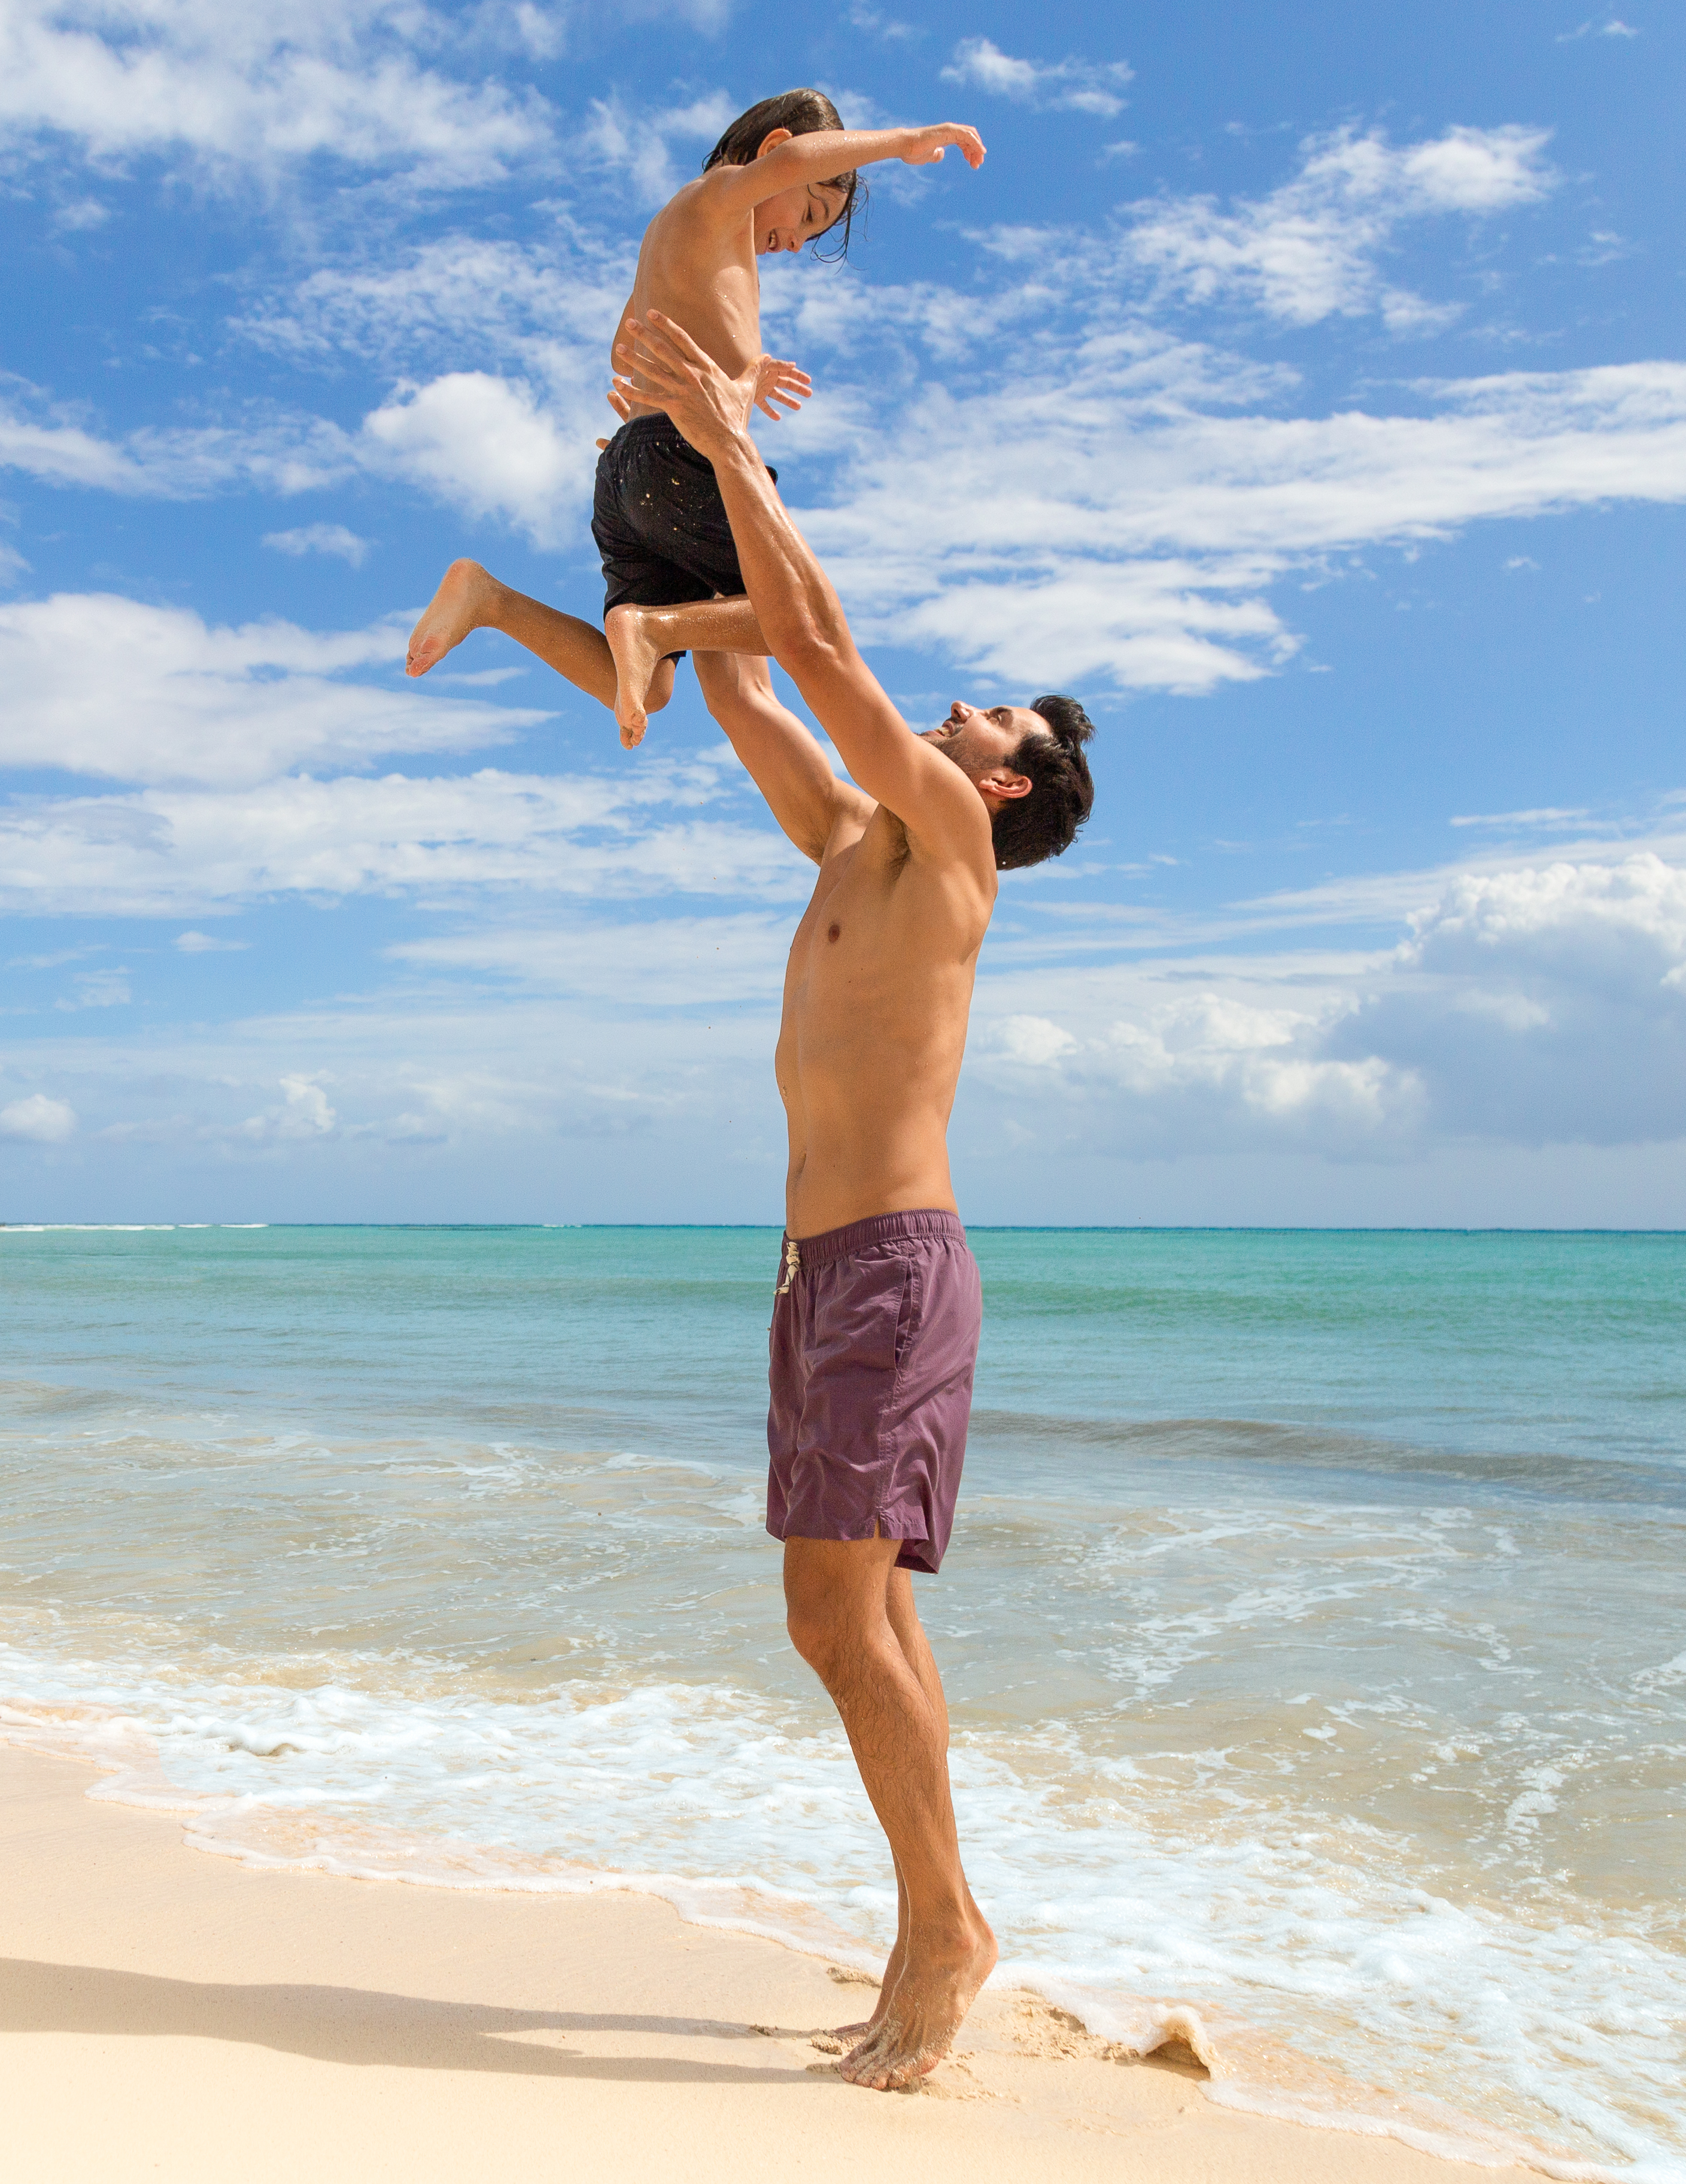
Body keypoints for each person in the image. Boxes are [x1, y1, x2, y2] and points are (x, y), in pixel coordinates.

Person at [609, 304, 1095, 2094]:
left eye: (995, 715)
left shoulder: (954, 846)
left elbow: (817, 642)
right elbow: (748, 677)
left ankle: (947, 1925)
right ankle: (932, 1922)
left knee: (830, 1618)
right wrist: (675, 498)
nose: (964, 705)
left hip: (891, 1268)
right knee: (873, 1618)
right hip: (827, 1274)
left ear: (1009, 783)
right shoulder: (848, 845)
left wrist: (741, 437)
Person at [403, 90, 984, 745]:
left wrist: (720, 385)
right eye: (810, 211)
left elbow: (626, 345)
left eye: (814, 235)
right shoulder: (721, 196)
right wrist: (903, 141)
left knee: (650, 688)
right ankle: (655, 628)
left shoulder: (679, 234)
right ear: (773, 153)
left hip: (630, 468)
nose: (796, 241)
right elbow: (795, 158)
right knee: (806, 623)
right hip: (679, 460)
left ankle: (491, 599)